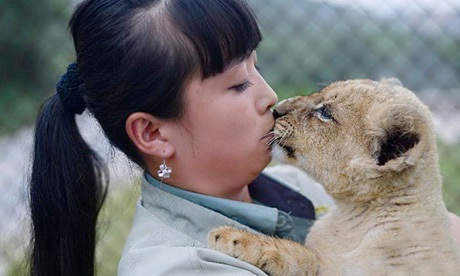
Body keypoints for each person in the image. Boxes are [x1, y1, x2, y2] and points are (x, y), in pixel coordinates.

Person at [29, 0, 460, 275]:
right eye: (238, 84)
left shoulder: (297, 185)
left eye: (257, 66)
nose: (272, 95)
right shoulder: (183, 268)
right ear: (153, 133)